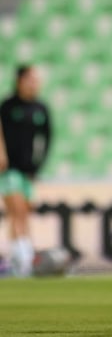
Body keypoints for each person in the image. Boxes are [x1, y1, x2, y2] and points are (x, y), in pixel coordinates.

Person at [0, 65, 52, 276]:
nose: (34, 84)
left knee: (22, 213)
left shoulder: (40, 108)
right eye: (31, 79)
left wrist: (38, 164)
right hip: (9, 169)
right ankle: (26, 259)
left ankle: (15, 258)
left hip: (28, 171)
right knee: (18, 211)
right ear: (20, 81)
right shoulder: (8, 105)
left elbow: (47, 137)